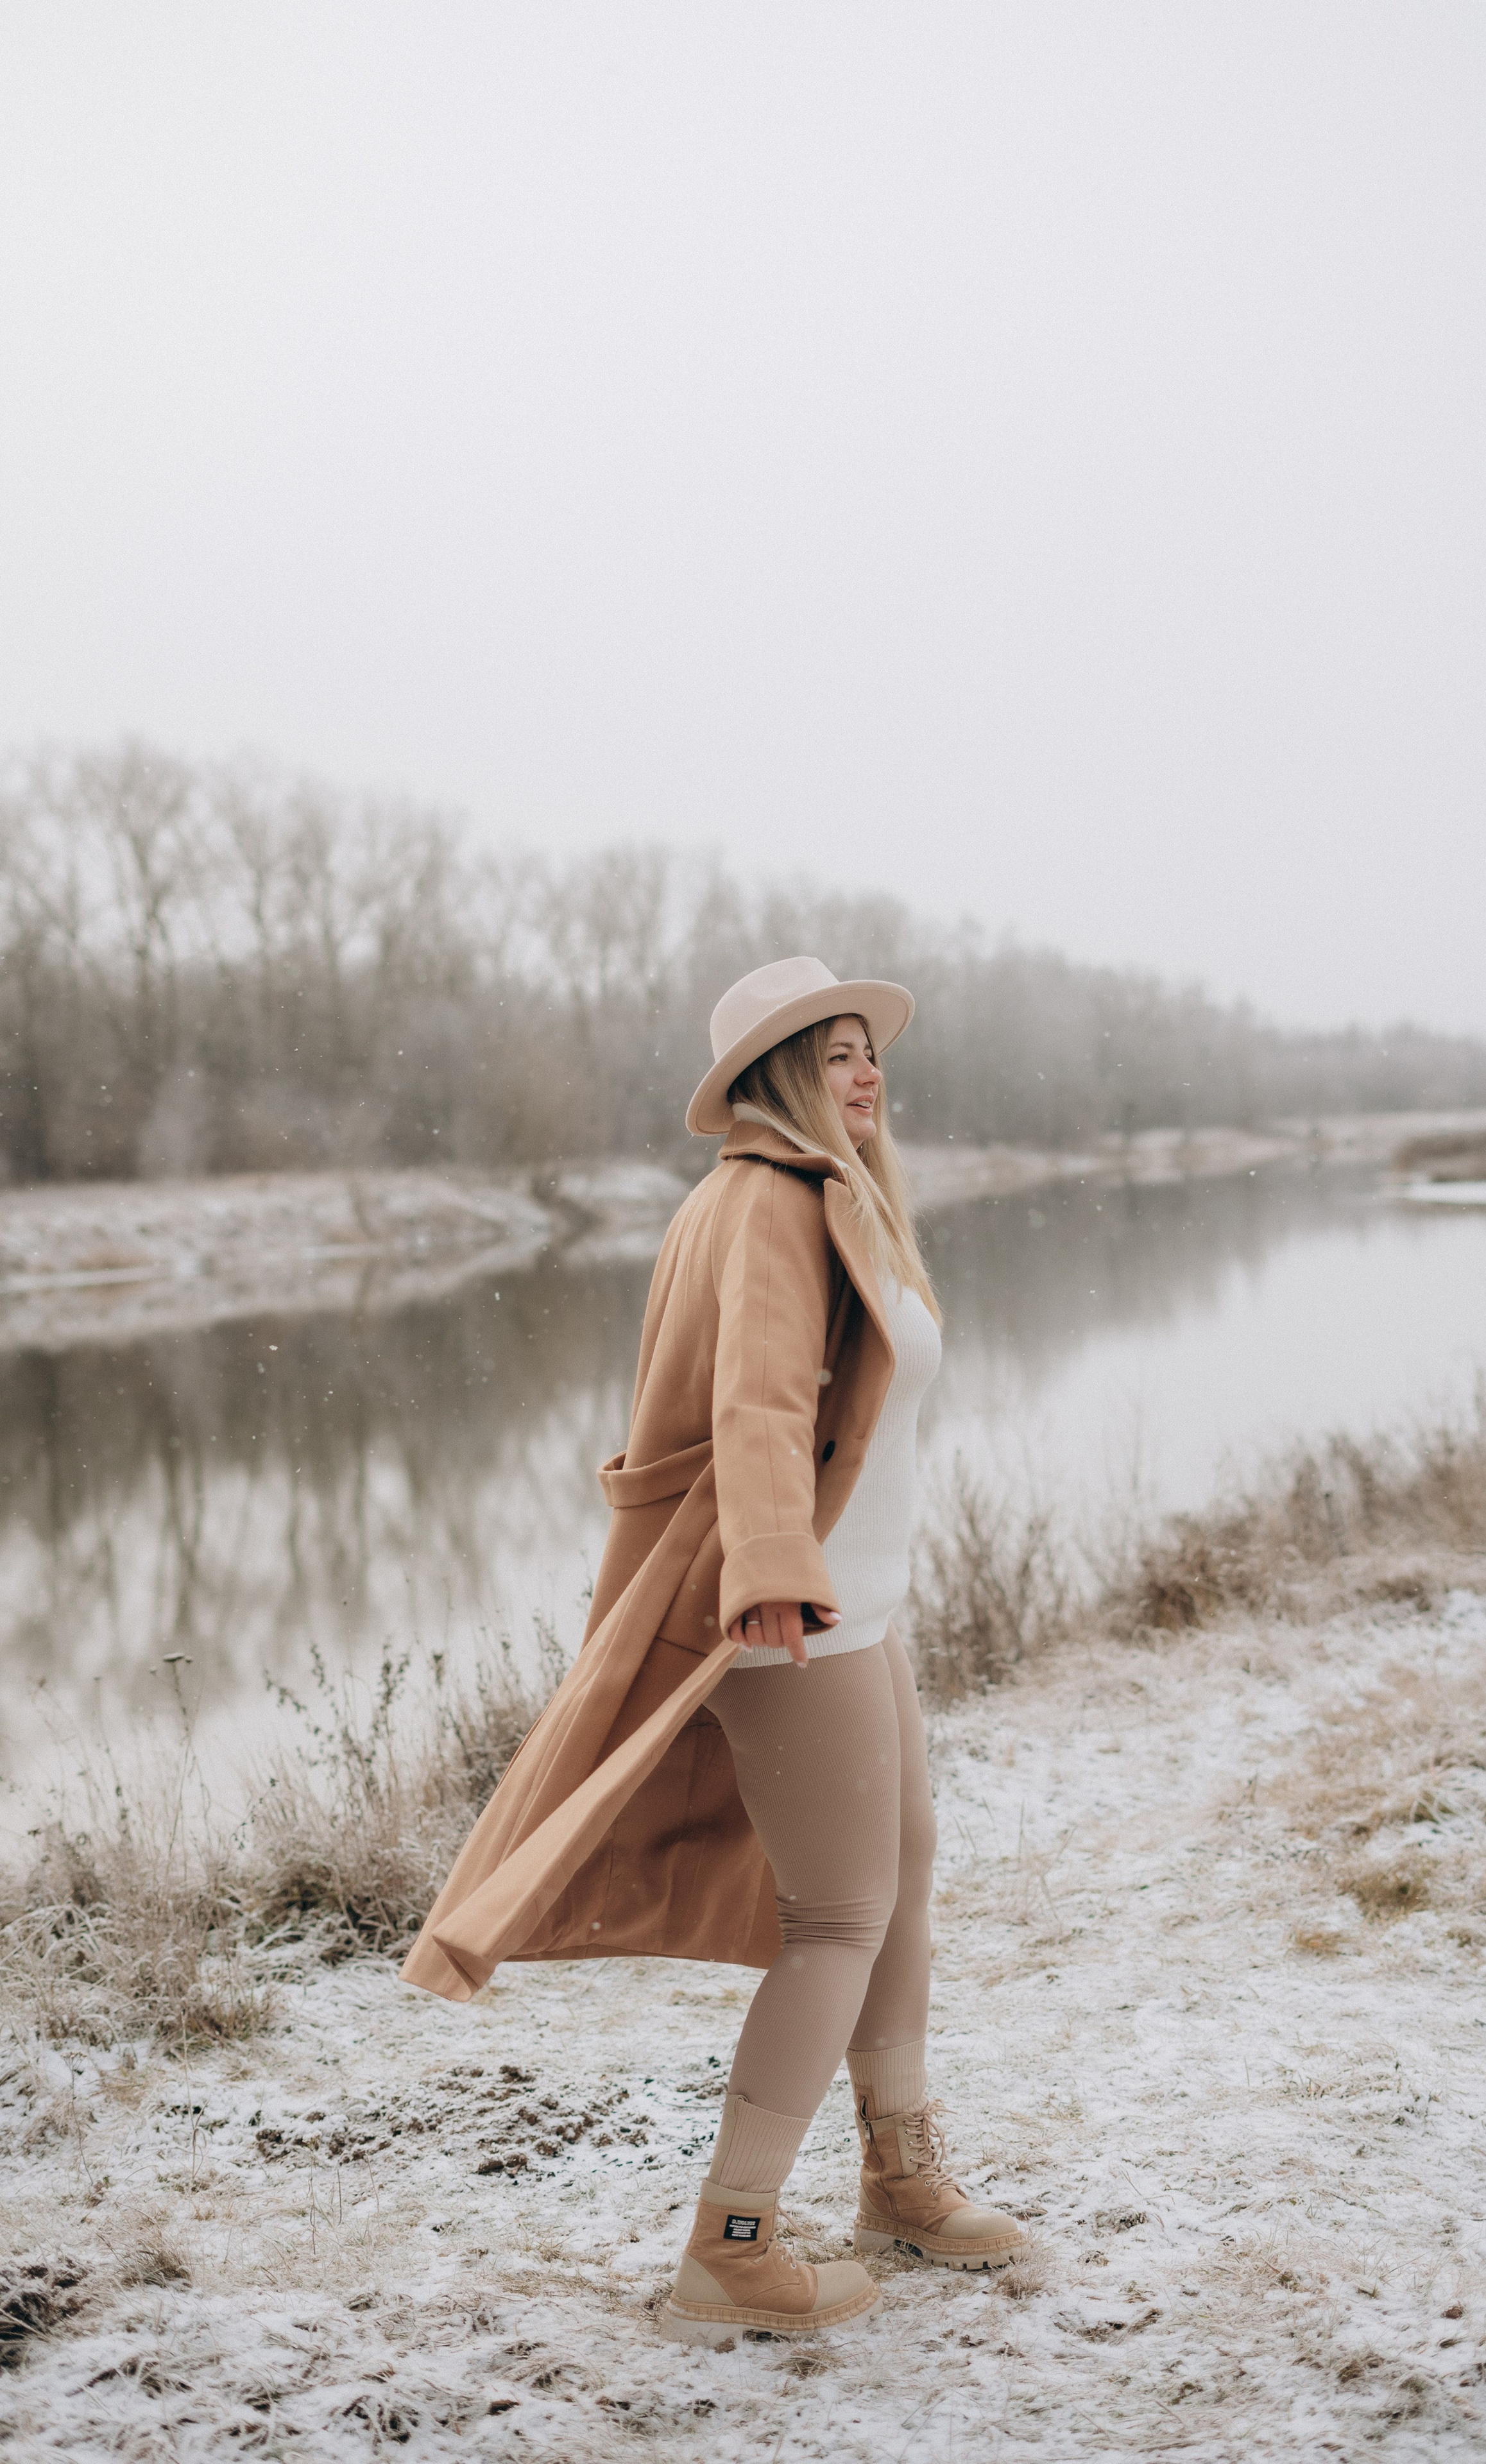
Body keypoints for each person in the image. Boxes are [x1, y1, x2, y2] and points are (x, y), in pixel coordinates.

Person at [401, 955, 1022, 2344]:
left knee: (900, 1883)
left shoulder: (825, 1193)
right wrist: (773, 1578)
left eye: (871, 1049)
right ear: (782, 1075)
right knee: (839, 1923)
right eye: (840, 1052)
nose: (870, 1071)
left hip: (855, 1604)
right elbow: (749, 1406)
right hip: (793, 1616)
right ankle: (729, 2246)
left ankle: (900, 2182)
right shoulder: (764, 1203)